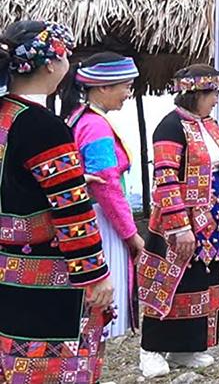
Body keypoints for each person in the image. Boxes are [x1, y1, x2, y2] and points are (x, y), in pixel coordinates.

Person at [0, 21, 114, 383]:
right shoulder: (43, 126)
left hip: (6, 266)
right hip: (46, 274)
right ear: (51, 63)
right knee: (51, 368)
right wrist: (95, 276)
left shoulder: (6, 114)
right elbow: (71, 210)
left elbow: (16, 181)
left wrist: (72, 179)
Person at [136, 64, 219, 377]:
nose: (215, 100)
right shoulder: (169, 127)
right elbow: (165, 179)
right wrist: (180, 226)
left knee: (201, 283)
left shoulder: (210, 125)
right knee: (168, 283)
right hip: (177, 224)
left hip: (212, 224)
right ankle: (151, 349)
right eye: (212, 94)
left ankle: (187, 346)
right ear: (193, 94)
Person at [62, 52, 142, 339]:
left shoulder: (77, 118)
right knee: (99, 312)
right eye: (126, 86)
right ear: (104, 87)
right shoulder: (95, 126)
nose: (128, 93)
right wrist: (131, 234)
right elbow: (106, 184)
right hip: (100, 223)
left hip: (87, 217)